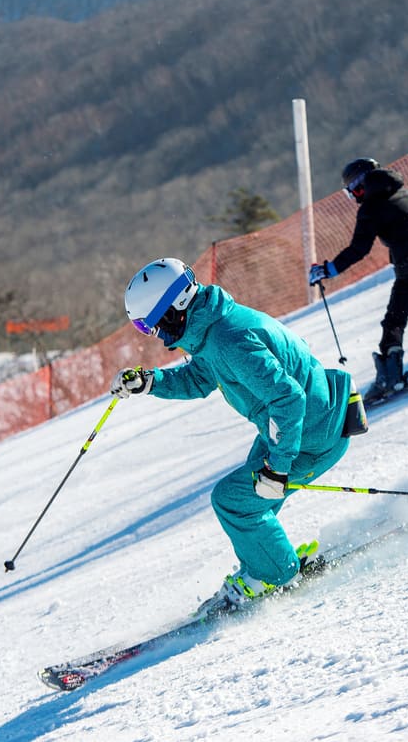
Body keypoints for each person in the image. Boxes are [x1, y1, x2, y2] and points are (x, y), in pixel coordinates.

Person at [110, 257, 367, 613]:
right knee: (249, 497)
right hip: (299, 423)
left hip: (311, 435)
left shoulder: (229, 340)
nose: (153, 333)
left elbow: (289, 399)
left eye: (148, 324)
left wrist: (278, 468)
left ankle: (275, 574)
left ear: (172, 309)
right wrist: (151, 382)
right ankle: (263, 564)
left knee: (232, 500)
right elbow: (200, 378)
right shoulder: (211, 329)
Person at [309, 157, 408, 402]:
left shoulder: (371, 208)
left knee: (394, 320)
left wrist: (328, 270)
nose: (355, 196)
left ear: (363, 184)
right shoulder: (407, 193)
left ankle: (390, 380)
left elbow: (359, 248)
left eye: (354, 190)